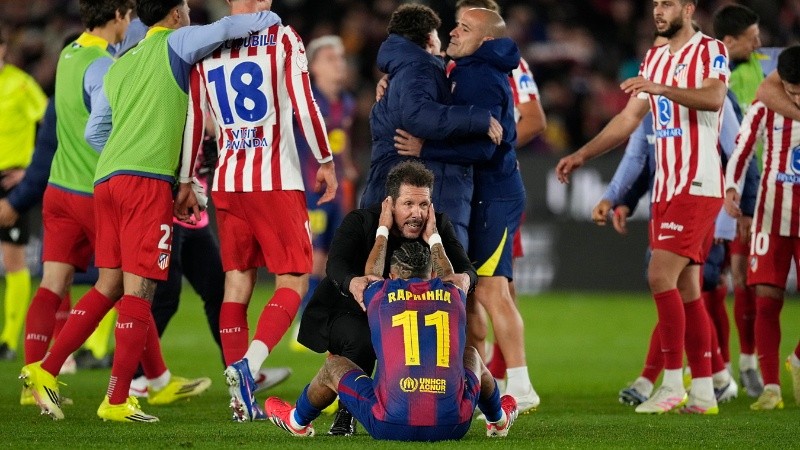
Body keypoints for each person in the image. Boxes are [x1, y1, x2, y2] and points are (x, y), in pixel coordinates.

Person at [20, 0, 280, 423]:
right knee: (140, 293)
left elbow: (95, 130)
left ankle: (45, 369)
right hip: (145, 184)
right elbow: (229, 27)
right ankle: (117, 400)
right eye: (186, 7)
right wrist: (271, 15)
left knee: (109, 285)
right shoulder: (177, 41)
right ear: (175, 14)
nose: (189, 13)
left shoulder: (120, 63)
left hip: (107, 180)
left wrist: (125, 151)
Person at [556, 0, 728, 414]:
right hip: (665, 187)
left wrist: (661, 89)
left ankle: (671, 384)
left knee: (658, 274)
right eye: (655, 4)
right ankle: (704, 392)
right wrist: (583, 154)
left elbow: (714, 97)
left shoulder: (711, 49)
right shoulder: (654, 58)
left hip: (697, 182)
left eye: (667, 3)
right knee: (687, 288)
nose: (658, 10)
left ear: (688, 8)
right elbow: (629, 119)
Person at [177, 0, 337, 423]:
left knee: (237, 281)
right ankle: (248, 366)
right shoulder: (282, 38)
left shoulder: (205, 46)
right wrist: (325, 159)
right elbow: (305, 103)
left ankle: (240, 401)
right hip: (275, 181)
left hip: (227, 182)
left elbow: (194, 119)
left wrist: (187, 178)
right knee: (294, 280)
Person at [265, 222, 518, 441]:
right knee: (472, 355)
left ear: (392, 274)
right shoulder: (453, 294)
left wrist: (383, 230)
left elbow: (371, 275)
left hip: (390, 423)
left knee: (334, 366)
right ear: (432, 273)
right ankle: (498, 420)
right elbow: (450, 276)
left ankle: (297, 421)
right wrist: (434, 237)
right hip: (454, 424)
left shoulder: (381, 294)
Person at [297, 160, 477, 435]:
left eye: (424, 204)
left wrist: (466, 278)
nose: (417, 214)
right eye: (408, 204)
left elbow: (466, 271)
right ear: (390, 204)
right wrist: (351, 282)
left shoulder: (437, 225)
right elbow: (335, 265)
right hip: (347, 311)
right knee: (362, 336)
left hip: (402, 316)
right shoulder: (360, 221)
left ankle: (417, 402)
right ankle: (346, 413)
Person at [449, 0, 548, 394]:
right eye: (456, 23)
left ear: (486, 36)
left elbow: (532, 120)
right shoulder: (463, 67)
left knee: (494, 289)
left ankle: (519, 384)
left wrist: (500, 145)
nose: (454, 31)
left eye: (464, 26)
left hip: (494, 192)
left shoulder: (491, 72)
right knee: (477, 292)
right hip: (479, 193)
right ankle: (483, 382)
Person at [360, 3, 502, 247]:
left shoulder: (406, 70)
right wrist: (478, 118)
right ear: (429, 38)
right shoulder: (419, 68)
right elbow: (419, 116)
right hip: (404, 191)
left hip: (392, 189)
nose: (449, 36)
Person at [724, 45, 800, 411]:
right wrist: (732, 187)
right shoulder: (765, 106)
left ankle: (796, 358)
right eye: (791, 90)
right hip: (771, 217)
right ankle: (771, 387)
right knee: (767, 300)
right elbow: (741, 149)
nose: (796, 98)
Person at [712, 3, 782, 397]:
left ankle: (749, 363)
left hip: (758, 191)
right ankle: (720, 367)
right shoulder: (709, 74)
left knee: (745, 278)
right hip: (717, 191)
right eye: (751, 39)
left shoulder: (767, 63)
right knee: (714, 281)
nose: (758, 45)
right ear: (728, 42)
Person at [291, 35, 358, 352]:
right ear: (313, 66)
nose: (339, 63)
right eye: (331, 58)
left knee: (333, 256)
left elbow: (341, 139)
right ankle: (303, 322)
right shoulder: (304, 101)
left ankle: (320, 318)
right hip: (311, 189)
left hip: (339, 190)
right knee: (314, 257)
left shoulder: (346, 101)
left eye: (341, 57)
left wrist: (348, 165)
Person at [0, 23, 48, 362]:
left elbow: (51, 125)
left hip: (9, 182)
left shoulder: (21, 84)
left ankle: (8, 340)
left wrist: (30, 169)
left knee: (13, 259)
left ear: (3, 48)